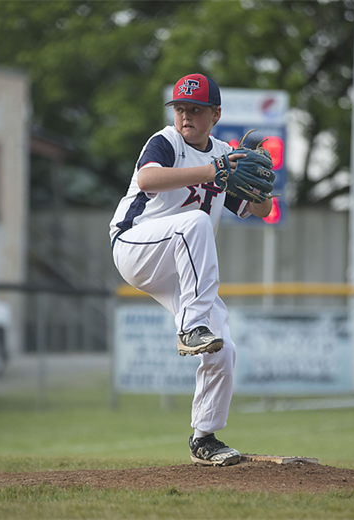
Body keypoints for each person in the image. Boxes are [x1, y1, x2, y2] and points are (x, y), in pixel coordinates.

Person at [109, 73, 273, 466]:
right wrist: (213, 171)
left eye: (196, 110)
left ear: (215, 114)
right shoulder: (166, 142)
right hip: (135, 244)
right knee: (196, 221)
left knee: (222, 346)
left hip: (180, 262)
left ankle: (205, 437)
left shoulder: (224, 156)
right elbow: (147, 178)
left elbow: (259, 211)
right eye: (181, 108)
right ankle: (191, 327)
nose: (186, 116)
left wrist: (263, 191)